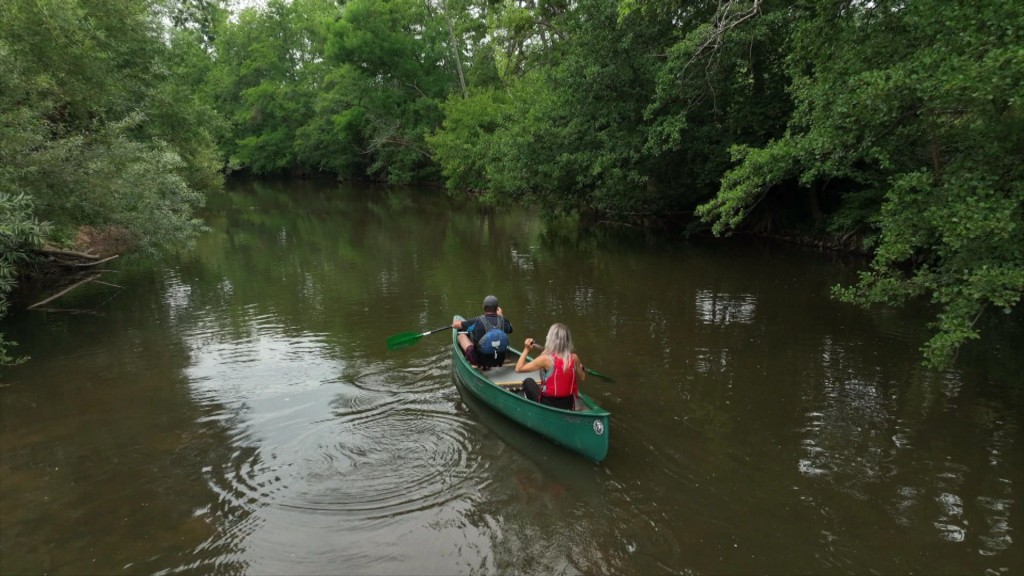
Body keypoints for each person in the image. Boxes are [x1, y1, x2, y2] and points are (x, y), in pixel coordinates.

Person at [514, 323, 585, 410]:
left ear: (550, 339)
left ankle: (533, 407)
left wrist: (526, 349)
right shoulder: (574, 358)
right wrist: (579, 367)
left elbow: (518, 368)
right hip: (568, 405)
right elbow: (582, 377)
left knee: (528, 381)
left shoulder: (545, 360)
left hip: (548, 405)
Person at [452, 295, 513, 368]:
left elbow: (456, 325)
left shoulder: (477, 321)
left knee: (461, 336)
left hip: (480, 361)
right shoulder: (504, 321)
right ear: (497, 308)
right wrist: (501, 316)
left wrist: (454, 324)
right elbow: (510, 329)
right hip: (500, 359)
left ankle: (468, 358)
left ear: (483, 307)